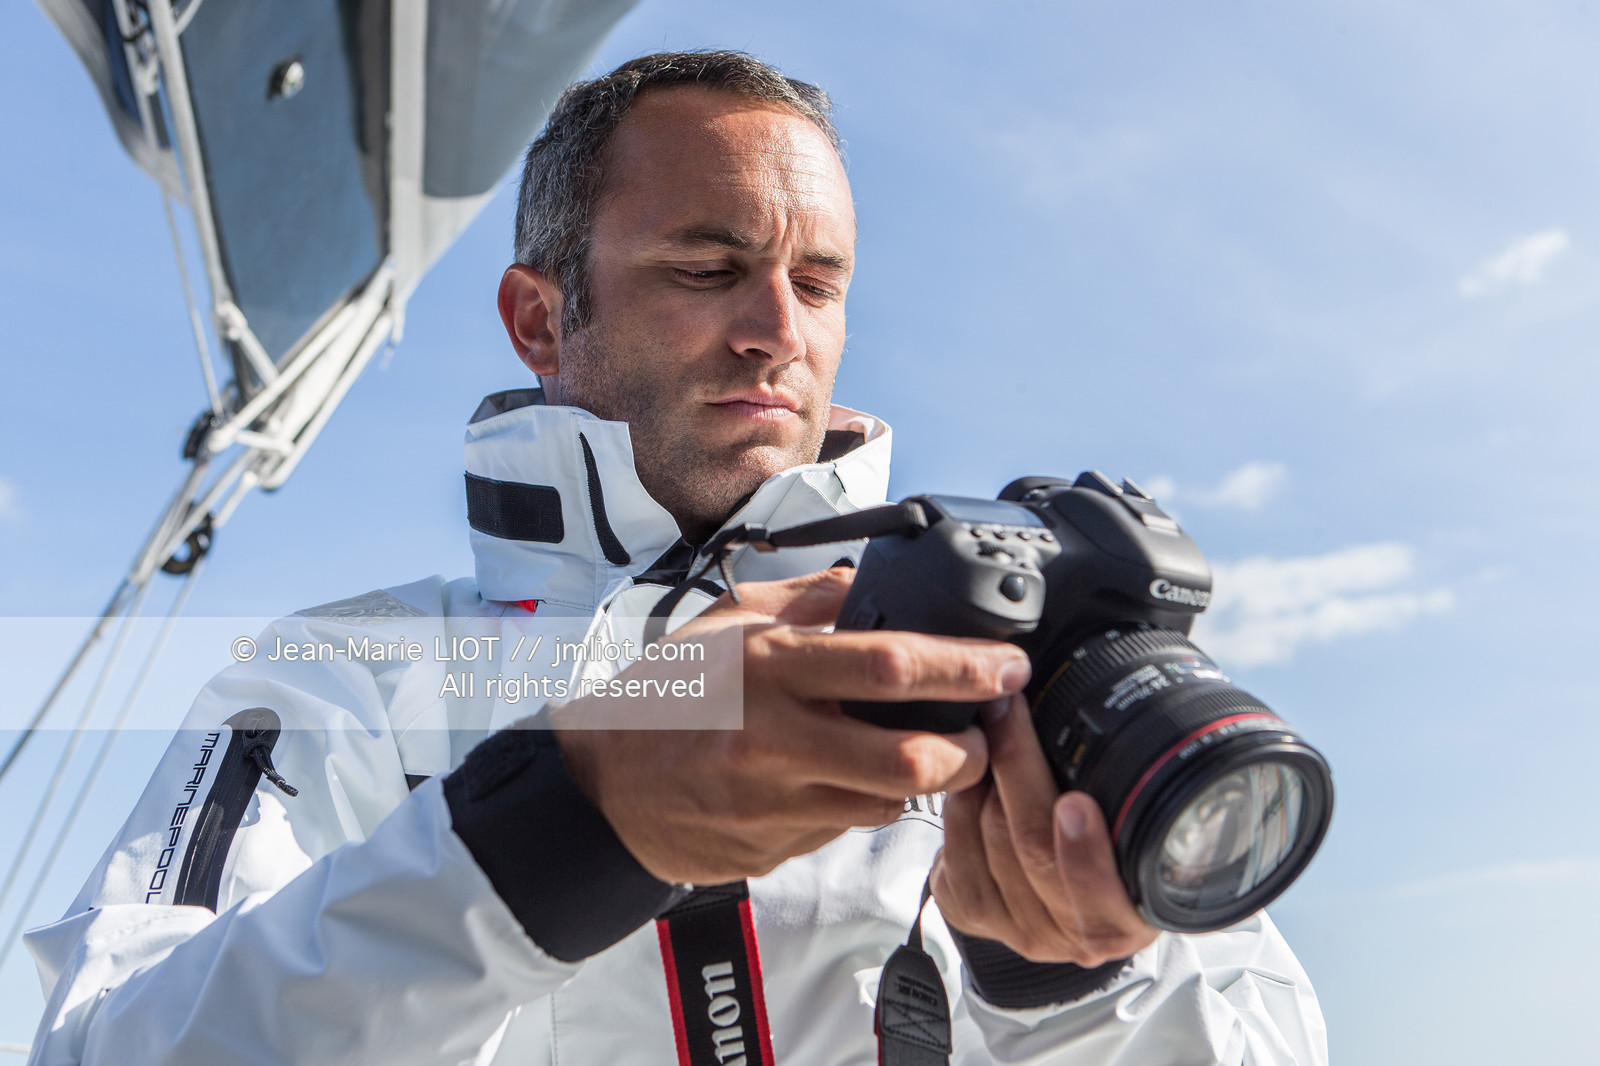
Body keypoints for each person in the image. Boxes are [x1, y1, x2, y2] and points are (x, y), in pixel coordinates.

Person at [24, 52, 1327, 1065]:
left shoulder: (1008, 681)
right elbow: (111, 1042)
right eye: (709, 267)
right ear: (541, 317)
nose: (777, 329)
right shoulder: (348, 680)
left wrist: (1072, 990)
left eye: (819, 285)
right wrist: (562, 823)